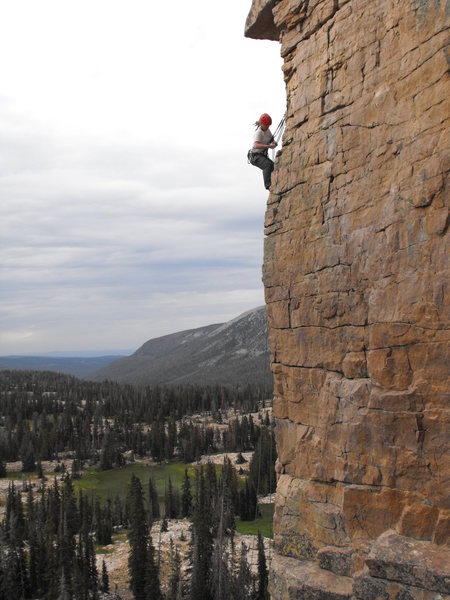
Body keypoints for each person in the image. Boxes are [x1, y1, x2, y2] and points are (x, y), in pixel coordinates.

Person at [248, 113, 278, 190]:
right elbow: (256, 145)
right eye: (266, 125)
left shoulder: (268, 130)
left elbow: (271, 140)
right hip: (255, 156)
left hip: (261, 155)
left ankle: (274, 182)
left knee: (273, 166)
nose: (268, 126)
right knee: (267, 165)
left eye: (268, 125)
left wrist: (273, 143)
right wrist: (268, 146)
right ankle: (268, 185)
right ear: (262, 124)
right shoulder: (258, 133)